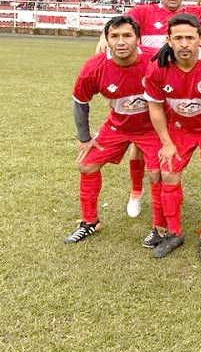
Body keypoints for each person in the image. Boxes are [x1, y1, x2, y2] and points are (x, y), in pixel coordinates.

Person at [94, 0, 201, 219]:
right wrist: (103, 37)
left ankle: (174, 198)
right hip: (149, 88)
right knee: (138, 145)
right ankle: (136, 192)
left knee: (160, 148)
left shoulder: (192, 14)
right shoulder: (143, 12)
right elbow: (117, 25)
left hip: (175, 91)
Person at [143, 13, 201, 262]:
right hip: (179, 127)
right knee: (168, 173)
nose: (184, 44)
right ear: (169, 40)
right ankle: (174, 233)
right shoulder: (157, 68)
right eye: (178, 38)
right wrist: (166, 143)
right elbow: (155, 106)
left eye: (189, 38)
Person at [64, 16, 161, 244]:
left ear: (138, 39)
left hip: (152, 128)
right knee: (87, 164)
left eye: (127, 36)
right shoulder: (94, 67)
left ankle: (160, 227)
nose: (121, 42)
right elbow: (80, 101)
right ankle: (90, 222)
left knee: (158, 173)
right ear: (106, 40)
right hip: (117, 125)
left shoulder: (156, 60)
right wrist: (85, 138)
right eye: (114, 36)